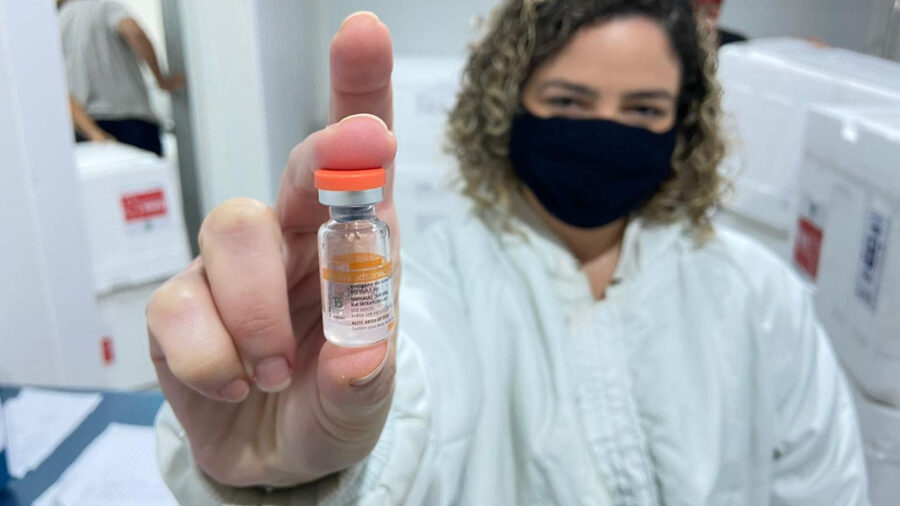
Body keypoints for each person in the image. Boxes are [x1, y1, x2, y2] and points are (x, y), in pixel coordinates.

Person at [149, 1, 869, 504]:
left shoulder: (758, 295)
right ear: (507, 104)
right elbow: (409, 418)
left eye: (644, 110)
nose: (604, 131)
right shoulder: (439, 284)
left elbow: (824, 485)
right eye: (568, 102)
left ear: (683, 127)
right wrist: (301, 471)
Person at [57, 0, 183, 156]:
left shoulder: (57, 22)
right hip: (131, 120)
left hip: (89, 127)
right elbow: (134, 32)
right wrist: (160, 79)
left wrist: (94, 134)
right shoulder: (103, 6)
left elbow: (61, 91)